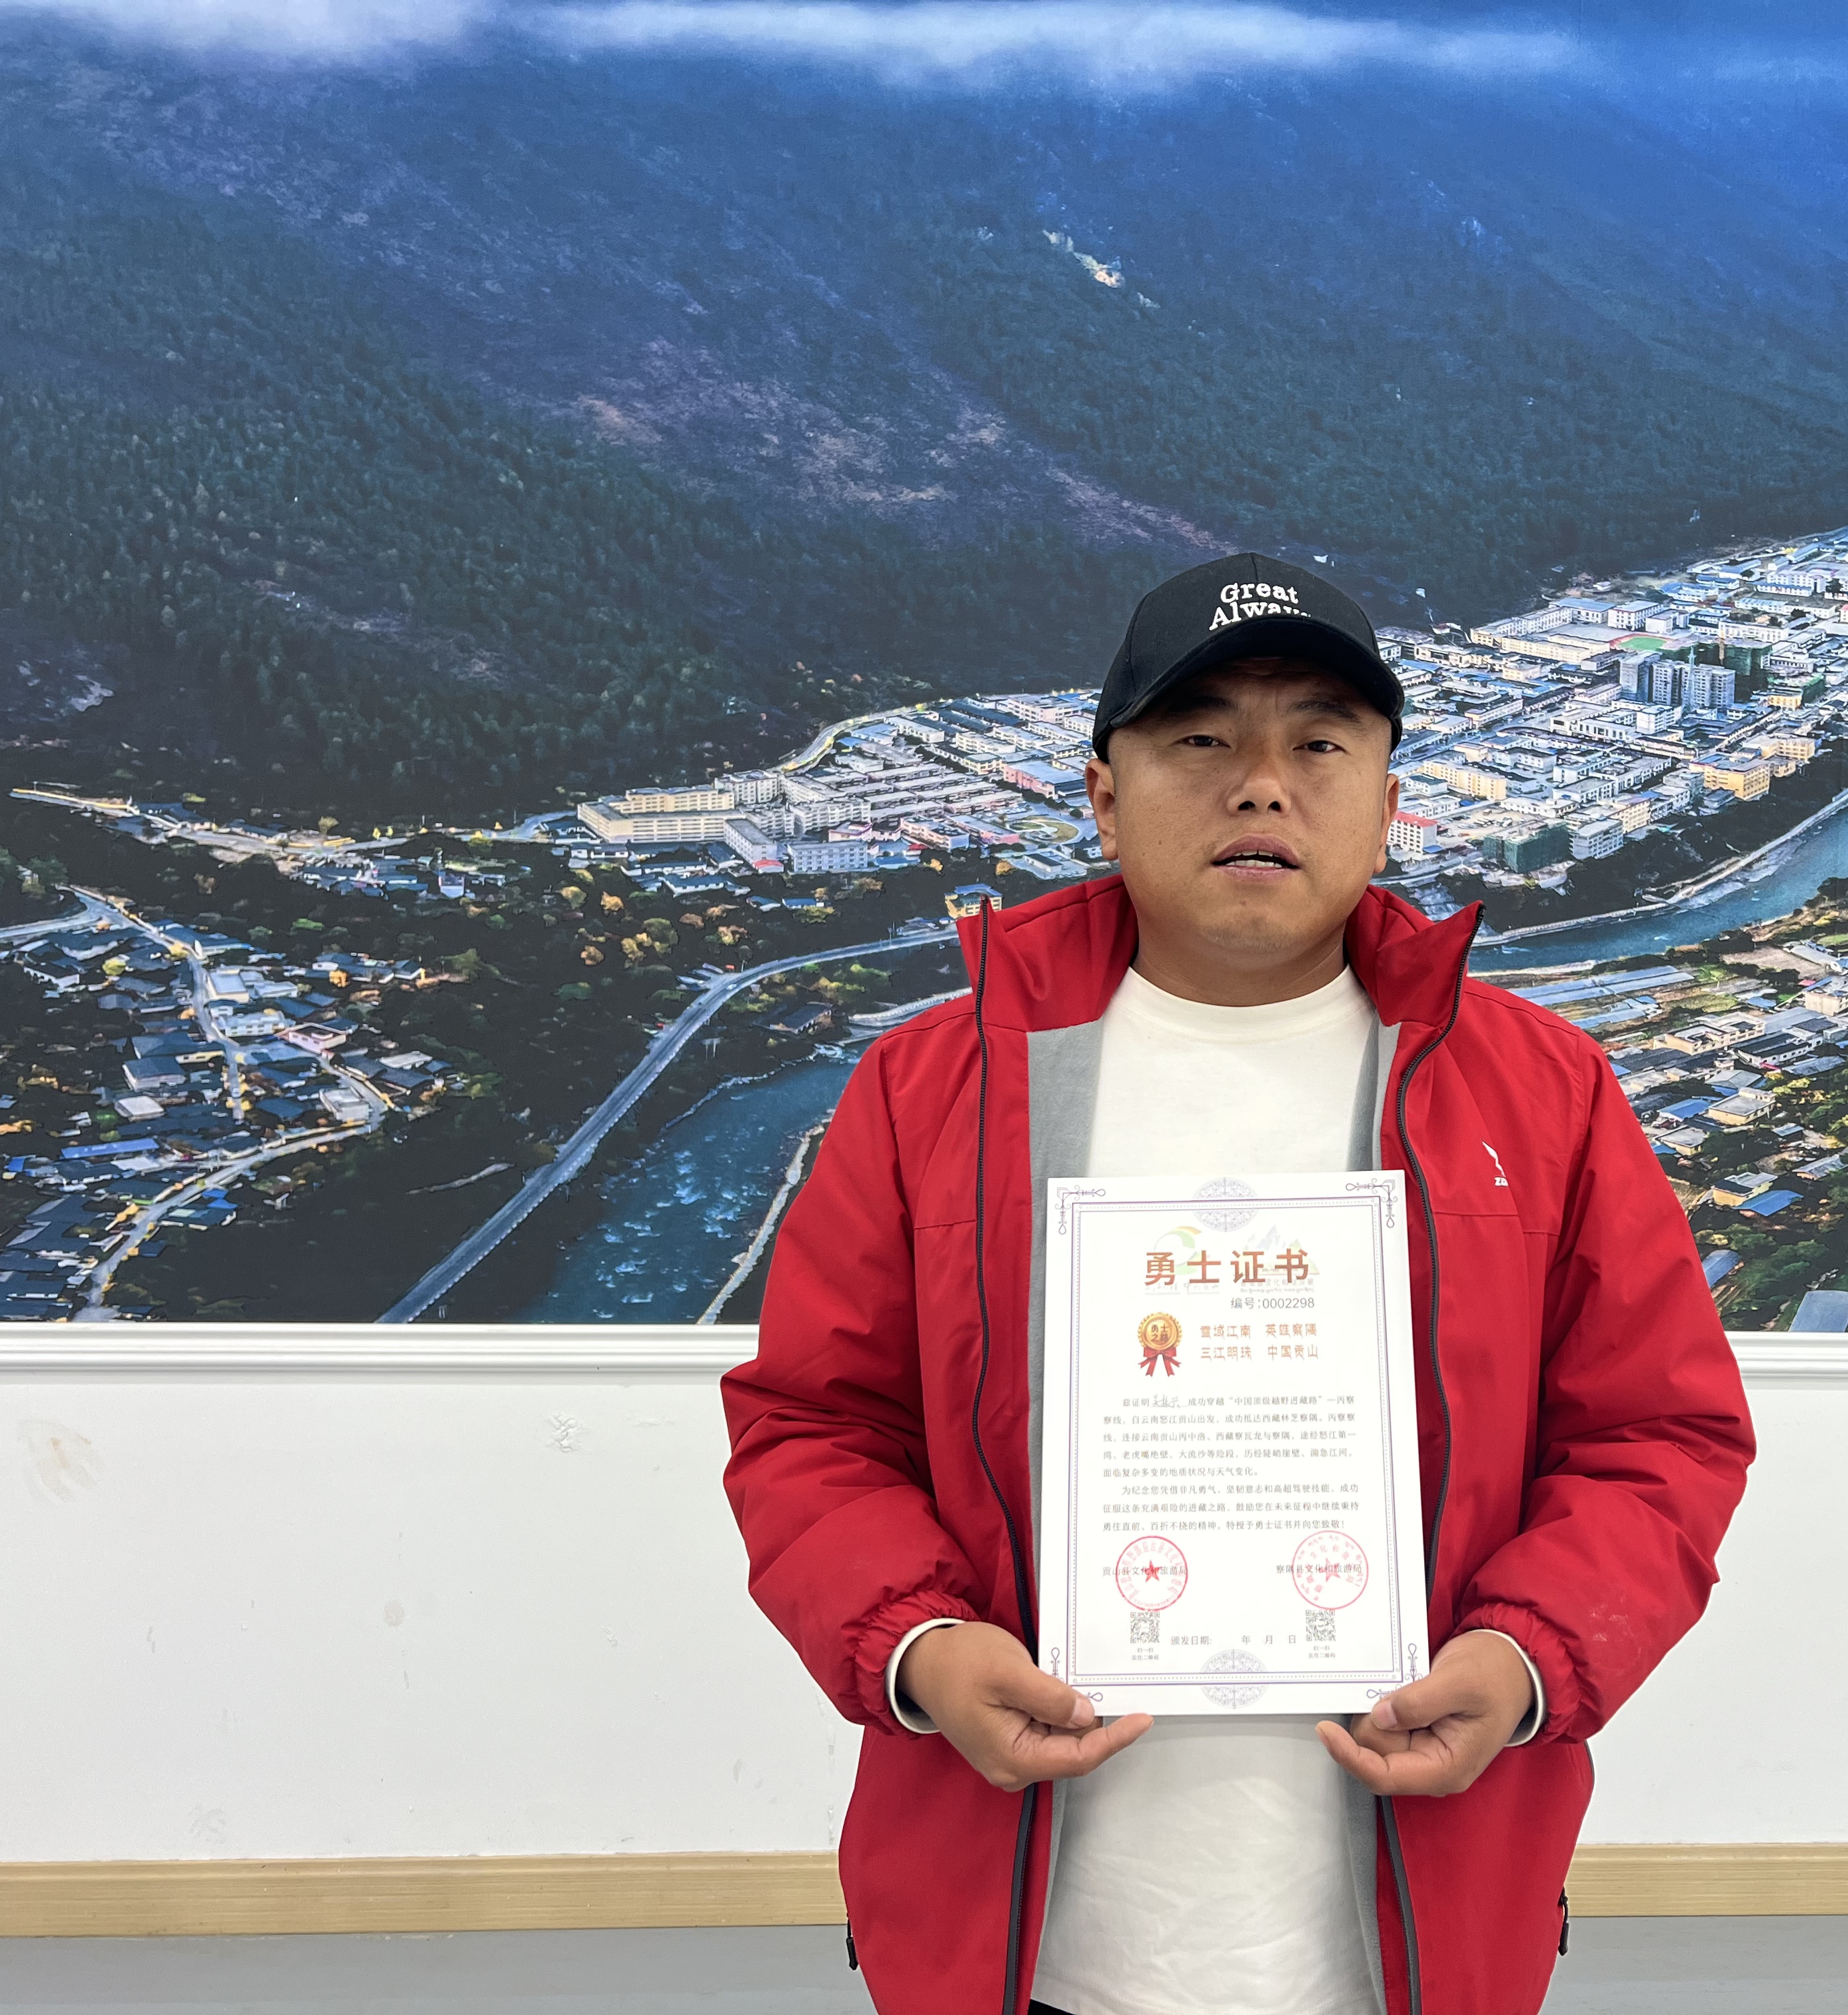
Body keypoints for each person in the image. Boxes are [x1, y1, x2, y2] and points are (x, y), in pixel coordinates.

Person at [722, 552, 1754, 2015]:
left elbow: (1659, 1436)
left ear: (1389, 803)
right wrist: (921, 1645)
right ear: (1104, 796)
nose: (1261, 785)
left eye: (1319, 743)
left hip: (1413, 1929)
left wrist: (1527, 1657)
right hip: (1022, 1930)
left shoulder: (1545, 1094)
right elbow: (813, 1427)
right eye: (1201, 738)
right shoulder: (931, 1088)